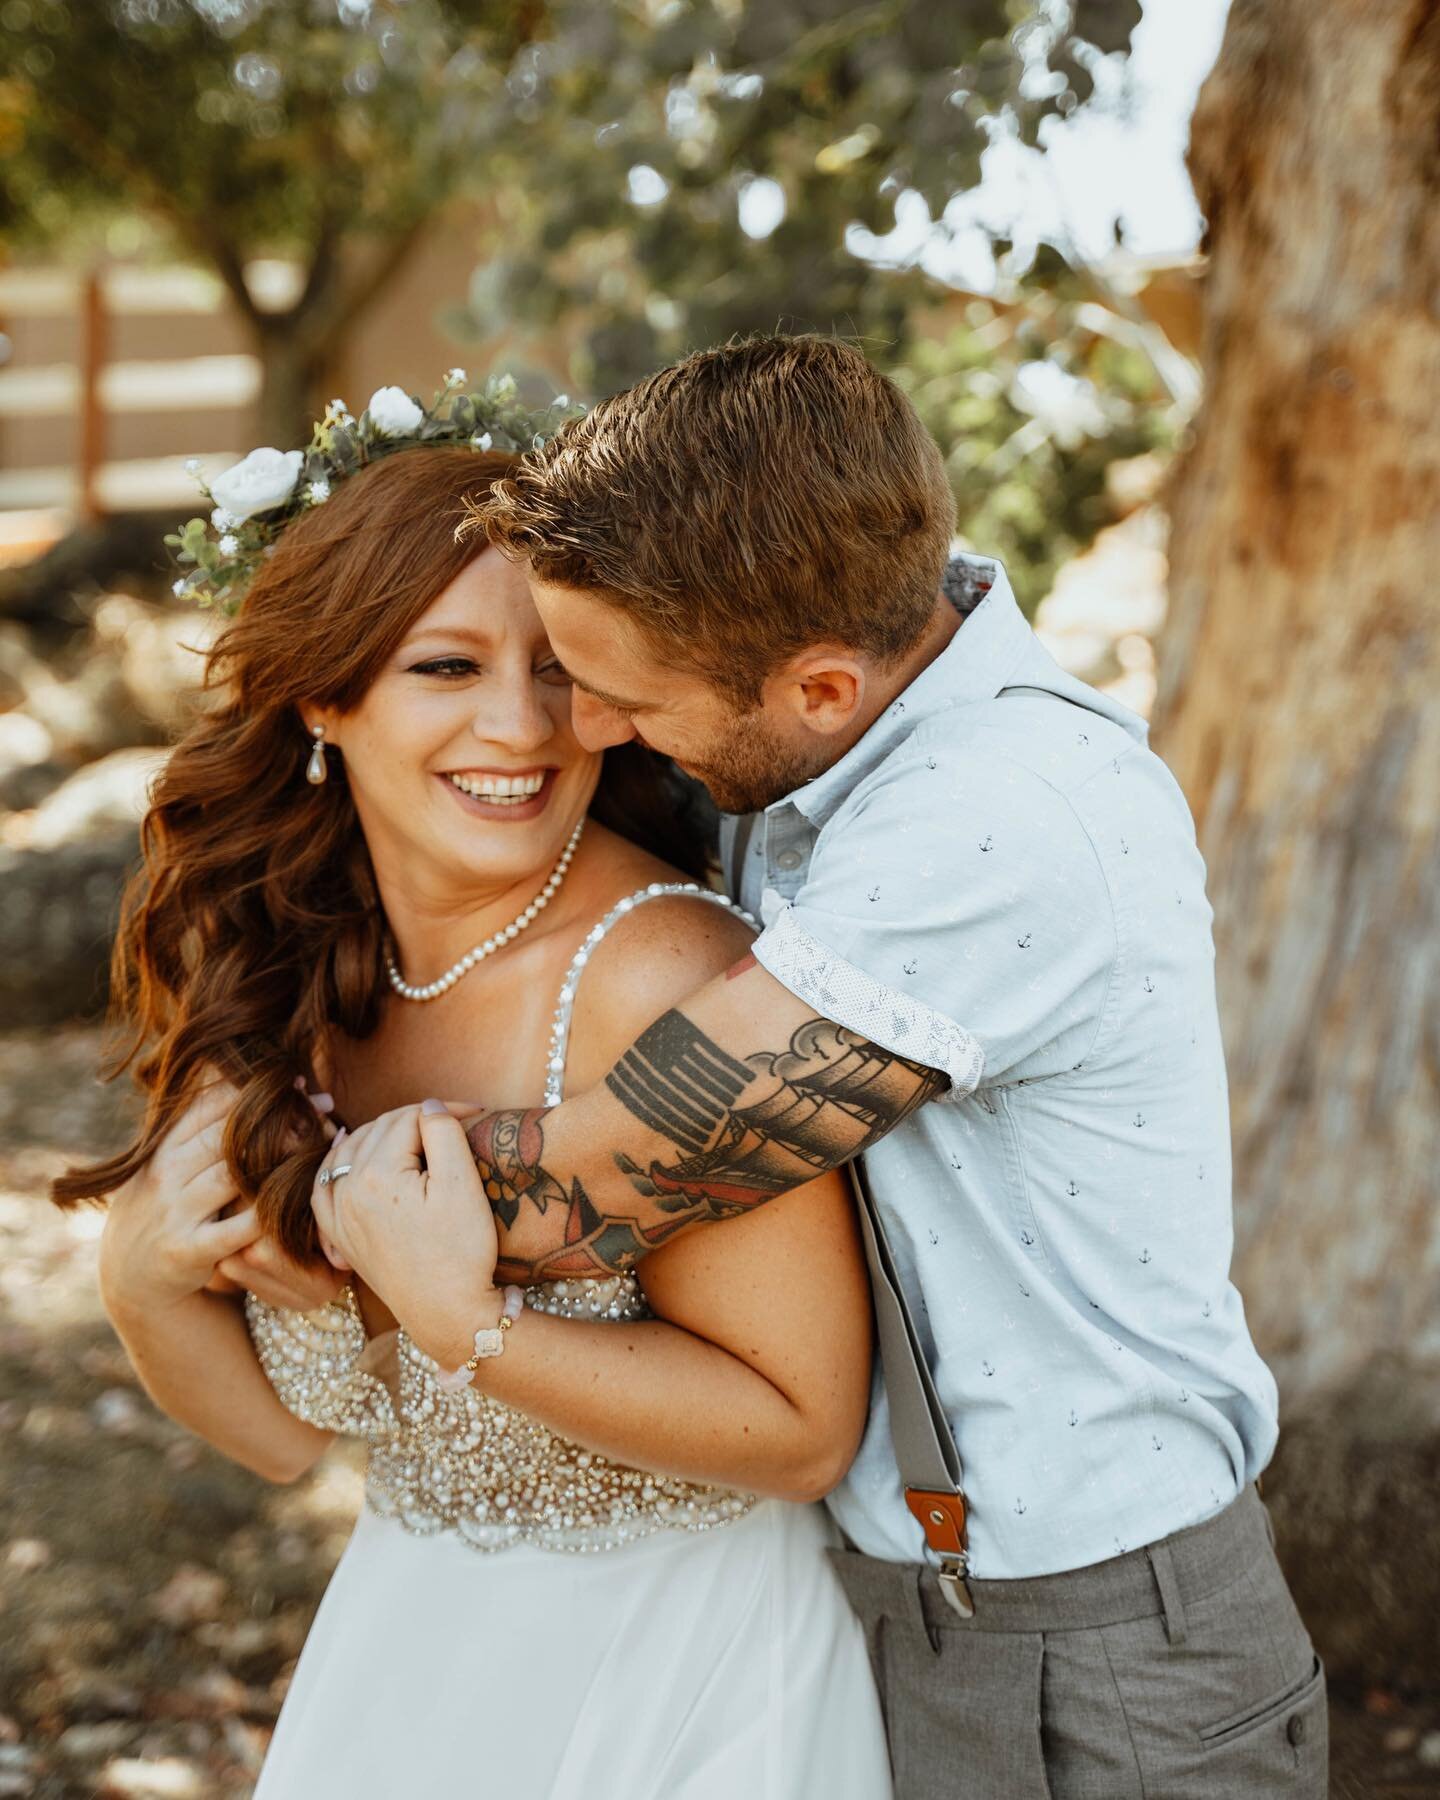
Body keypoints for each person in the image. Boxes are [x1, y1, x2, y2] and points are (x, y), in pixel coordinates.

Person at [317, 336, 1329, 1799]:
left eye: (625, 701)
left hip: (1108, 1653)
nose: (585, 734)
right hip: (903, 1613)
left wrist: (295, 1180)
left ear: (821, 686)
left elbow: (584, 1192)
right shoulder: (819, 664)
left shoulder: (1001, 826)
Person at [53, 413, 891, 1799]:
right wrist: (140, 1288)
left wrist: (474, 1329)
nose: (520, 726)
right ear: (323, 698)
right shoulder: (283, 961)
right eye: (447, 666)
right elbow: (280, 1440)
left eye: (561, 673)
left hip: (679, 1679)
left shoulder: (665, 981)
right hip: (416, 1648)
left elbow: (803, 1429)